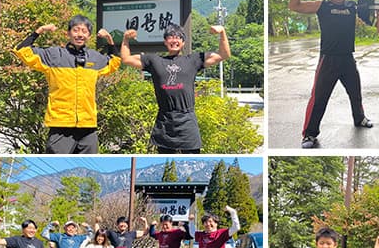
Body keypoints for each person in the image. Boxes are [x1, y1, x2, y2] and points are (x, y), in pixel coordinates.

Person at [290, 0, 378, 148]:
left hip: (347, 58)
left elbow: (369, 13)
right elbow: (294, 6)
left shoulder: (352, 6)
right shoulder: (323, 5)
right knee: (319, 99)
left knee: (355, 92)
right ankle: (309, 134)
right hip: (328, 59)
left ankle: (359, 118)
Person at [117, 22, 230, 152]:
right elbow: (126, 59)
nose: (174, 40)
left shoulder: (193, 60)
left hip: (187, 120)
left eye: (178, 37)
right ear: (165, 41)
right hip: (164, 121)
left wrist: (222, 32)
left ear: (183, 42)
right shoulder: (154, 61)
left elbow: (224, 54)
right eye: (170, 37)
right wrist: (125, 39)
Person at [17, 16, 119, 151]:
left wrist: (110, 40)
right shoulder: (54, 55)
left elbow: (114, 62)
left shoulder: (95, 58)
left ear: (89, 35)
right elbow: (22, 51)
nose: (80, 34)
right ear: (68, 33)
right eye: (76, 30)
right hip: (60, 125)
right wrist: (39, 31)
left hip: (88, 126)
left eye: (84, 31)